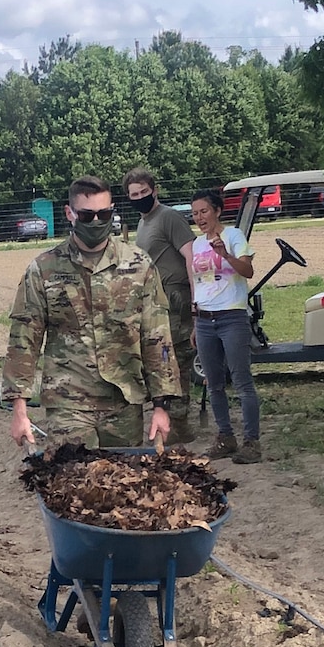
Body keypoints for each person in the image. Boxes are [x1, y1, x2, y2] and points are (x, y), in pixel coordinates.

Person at [5, 175, 182, 448]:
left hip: (123, 402)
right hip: (69, 403)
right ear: (70, 213)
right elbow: (24, 340)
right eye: (87, 216)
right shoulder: (45, 269)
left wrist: (161, 405)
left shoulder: (138, 266)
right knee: (73, 483)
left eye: (105, 214)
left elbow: (157, 337)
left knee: (123, 485)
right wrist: (19, 411)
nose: (97, 222)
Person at [187, 187, 261, 464]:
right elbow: (198, 285)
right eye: (195, 213)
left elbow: (248, 271)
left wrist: (226, 255)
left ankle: (251, 442)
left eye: (204, 211)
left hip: (231, 317)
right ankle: (225, 437)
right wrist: (195, 322)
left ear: (217, 210)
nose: (199, 217)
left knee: (242, 382)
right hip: (205, 320)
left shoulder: (233, 236)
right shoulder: (196, 245)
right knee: (213, 384)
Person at [124, 166, 198, 444]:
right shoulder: (144, 222)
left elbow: (190, 256)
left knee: (178, 361)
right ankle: (170, 418)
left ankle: (180, 424)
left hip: (176, 298)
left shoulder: (168, 218)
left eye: (144, 192)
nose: (140, 197)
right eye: (134, 194)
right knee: (161, 359)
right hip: (156, 301)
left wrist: (194, 299)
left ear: (154, 191)